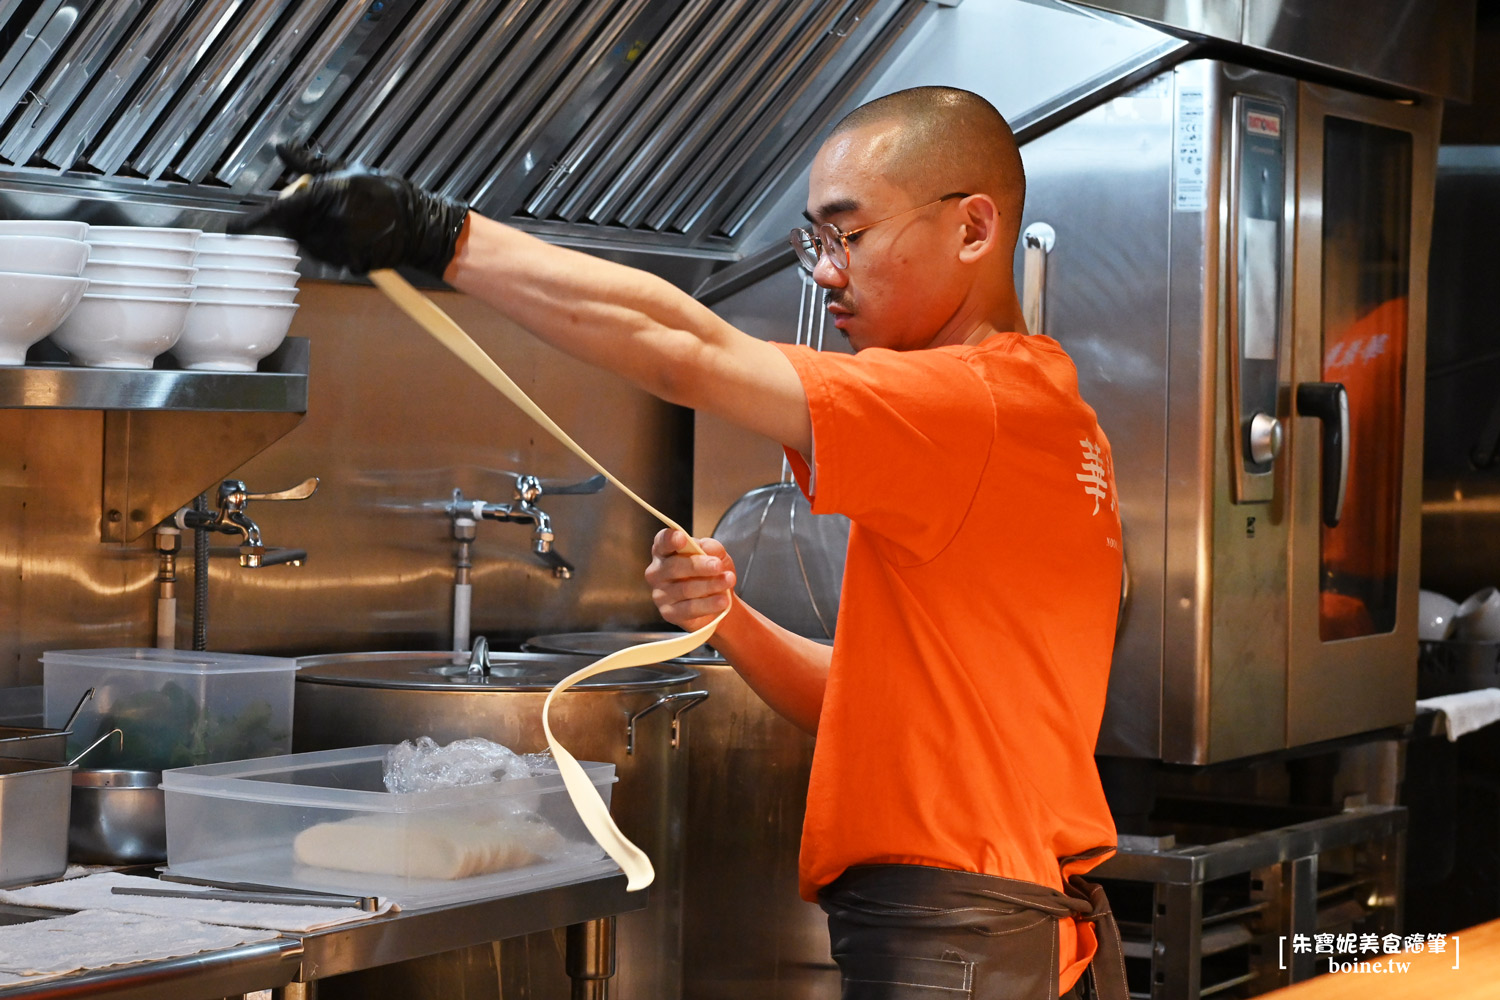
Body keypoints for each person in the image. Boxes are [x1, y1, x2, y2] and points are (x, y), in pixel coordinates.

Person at [240, 85, 1126, 1000]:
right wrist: (730, 620)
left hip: (957, 932)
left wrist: (437, 236)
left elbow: (682, 346)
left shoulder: (964, 403)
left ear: (974, 228)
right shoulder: (1050, 420)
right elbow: (871, 709)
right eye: (814, 244)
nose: (826, 275)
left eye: (847, 236)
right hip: (992, 918)